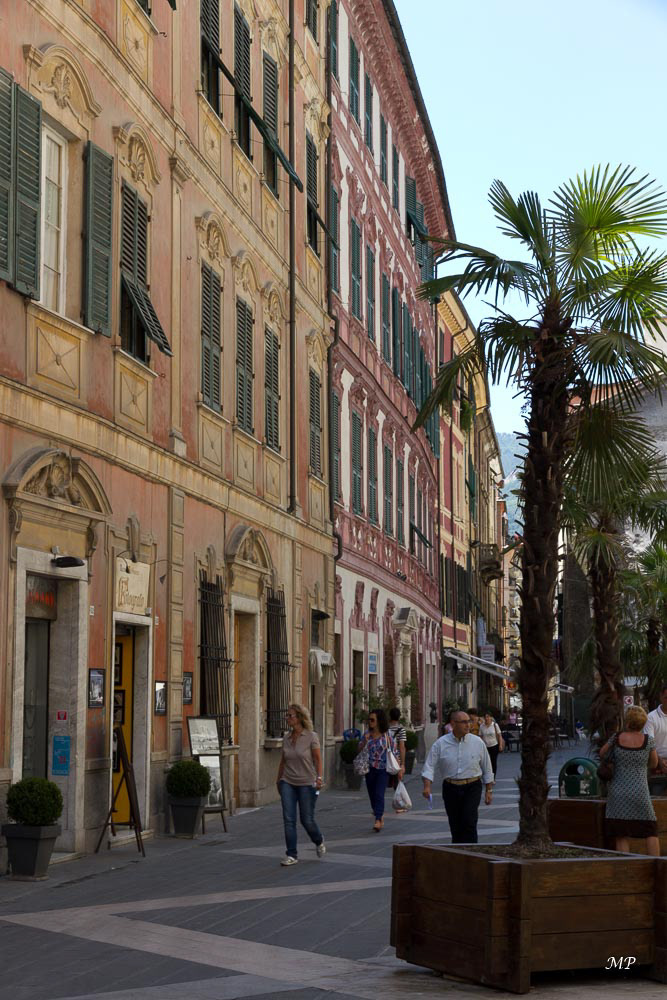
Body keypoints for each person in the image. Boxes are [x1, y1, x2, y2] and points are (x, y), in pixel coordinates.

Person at [421, 710, 494, 843]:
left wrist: (489, 790)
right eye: (464, 722)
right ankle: (458, 853)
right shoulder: (441, 743)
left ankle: (471, 854)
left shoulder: (477, 742)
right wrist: (427, 786)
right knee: (455, 823)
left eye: (469, 721)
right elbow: (429, 765)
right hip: (451, 787)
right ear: (453, 724)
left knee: (469, 820)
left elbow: (487, 767)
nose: (468, 725)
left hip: (472, 786)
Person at [602, 705, 660, 856]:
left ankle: (625, 867)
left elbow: (603, 753)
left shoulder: (616, 737)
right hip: (640, 791)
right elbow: (653, 764)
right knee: (650, 830)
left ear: (627, 721)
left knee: (621, 833)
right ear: (642, 723)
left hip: (618, 791)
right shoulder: (648, 741)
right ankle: (656, 866)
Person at [276, 703, 326, 866]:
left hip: (307, 783)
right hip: (287, 782)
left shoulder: (311, 736)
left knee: (307, 820)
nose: (287, 718)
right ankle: (291, 854)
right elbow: (283, 761)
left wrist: (319, 778)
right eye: (287, 715)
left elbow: (318, 760)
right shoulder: (286, 737)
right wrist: (279, 780)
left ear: (299, 718)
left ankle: (318, 840)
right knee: (289, 819)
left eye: (290, 715)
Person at [358, 708, 402, 832]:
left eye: (372, 720)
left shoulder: (387, 736)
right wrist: (364, 742)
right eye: (369, 720)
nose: (370, 722)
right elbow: (359, 750)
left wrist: (399, 769)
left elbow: (394, 752)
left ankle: (378, 818)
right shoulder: (367, 735)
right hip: (369, 769)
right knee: (372, 795)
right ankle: (379, 814)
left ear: (379, 721)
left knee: (379, 793)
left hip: (383, 769)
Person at [645, 685, 667, 775]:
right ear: (660, 697)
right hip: (657, 763)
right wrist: (660, 761)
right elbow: (649, 743)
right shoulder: (651, 717)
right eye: (666, 698)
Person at [479, 711, 504, 777]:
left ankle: (493, 777)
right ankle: (487, 776)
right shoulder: (482, 726)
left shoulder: (495, 725)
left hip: (494, 745)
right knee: (485, 762)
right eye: (485, 717)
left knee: (493, 762)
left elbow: (499, 736)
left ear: (491, 717)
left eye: (488, 717)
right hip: (485, 747)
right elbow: (480, 736)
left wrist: (500, 745)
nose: (487, 718)